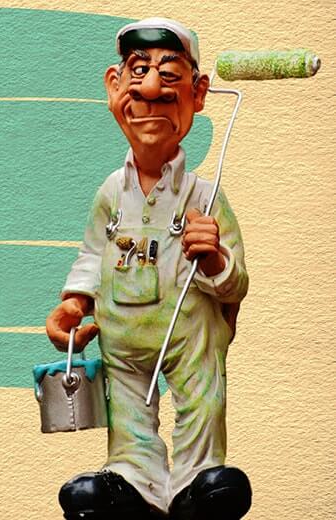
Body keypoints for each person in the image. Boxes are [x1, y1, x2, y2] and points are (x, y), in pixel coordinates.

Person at [45, 17, 252, 520]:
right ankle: (133, 482)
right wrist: (74, 303)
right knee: (127, 410)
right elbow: (92, 254)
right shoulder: (110, 194)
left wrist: (215, 257)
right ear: (114, 87)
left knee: (202, 399)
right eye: (138, 72)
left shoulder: (205, 197)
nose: (152, 89)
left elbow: (236, 283)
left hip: (188, 335)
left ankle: (197, 482)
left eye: (170, 76)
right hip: (121, 337)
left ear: (198, 94)